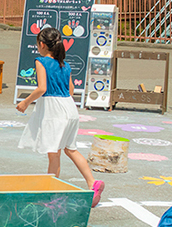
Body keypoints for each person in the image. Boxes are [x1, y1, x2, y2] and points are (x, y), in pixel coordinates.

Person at [16, 27, 105, 207]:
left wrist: (25, 102)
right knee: (70, 149)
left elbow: (42, 88)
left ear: (41, 45)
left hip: (54, 110)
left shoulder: (41, 62)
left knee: (53, 153)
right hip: (69, 107)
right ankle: (92, 183)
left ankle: (50, 191)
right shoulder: (65, 64)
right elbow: (71, 90)